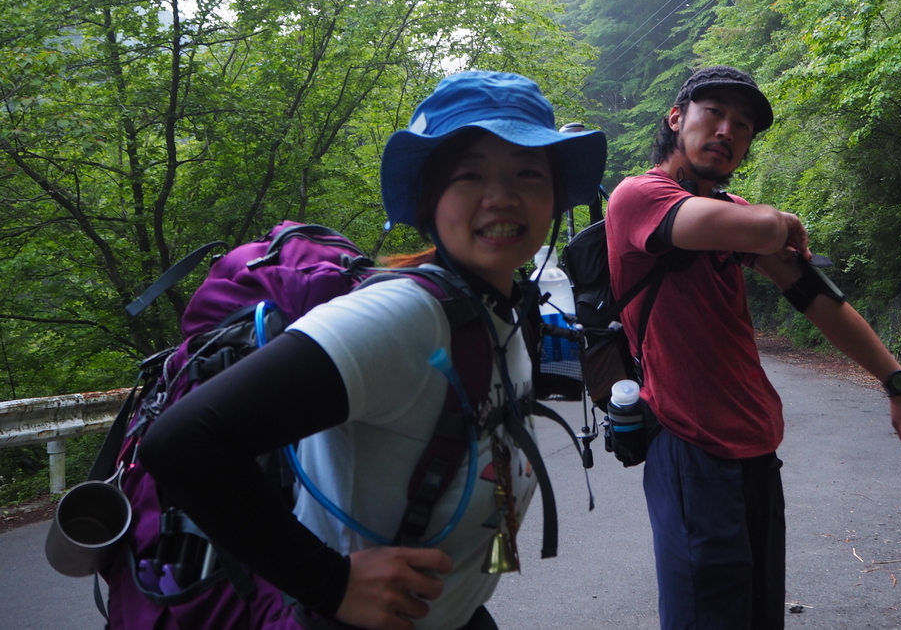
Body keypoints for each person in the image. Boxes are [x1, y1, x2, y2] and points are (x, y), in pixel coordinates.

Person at [139, 71, 606, 630]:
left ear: (554, 195)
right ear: (430, 200)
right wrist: (330, 584)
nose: (503, 196)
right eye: (470, 174)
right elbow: (181, 442)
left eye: (529, 173)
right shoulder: (405, 316)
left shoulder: (503, 311)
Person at [605, 65, 901, 630]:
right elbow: (764, 231)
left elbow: (817, 298)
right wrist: (780, 220)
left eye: (743, 125)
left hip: (756, 450)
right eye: (714, 113)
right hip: (690, 447)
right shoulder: (640, 196)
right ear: (676, 119)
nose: (727, 131)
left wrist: (898, 383)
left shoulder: (732, 215)